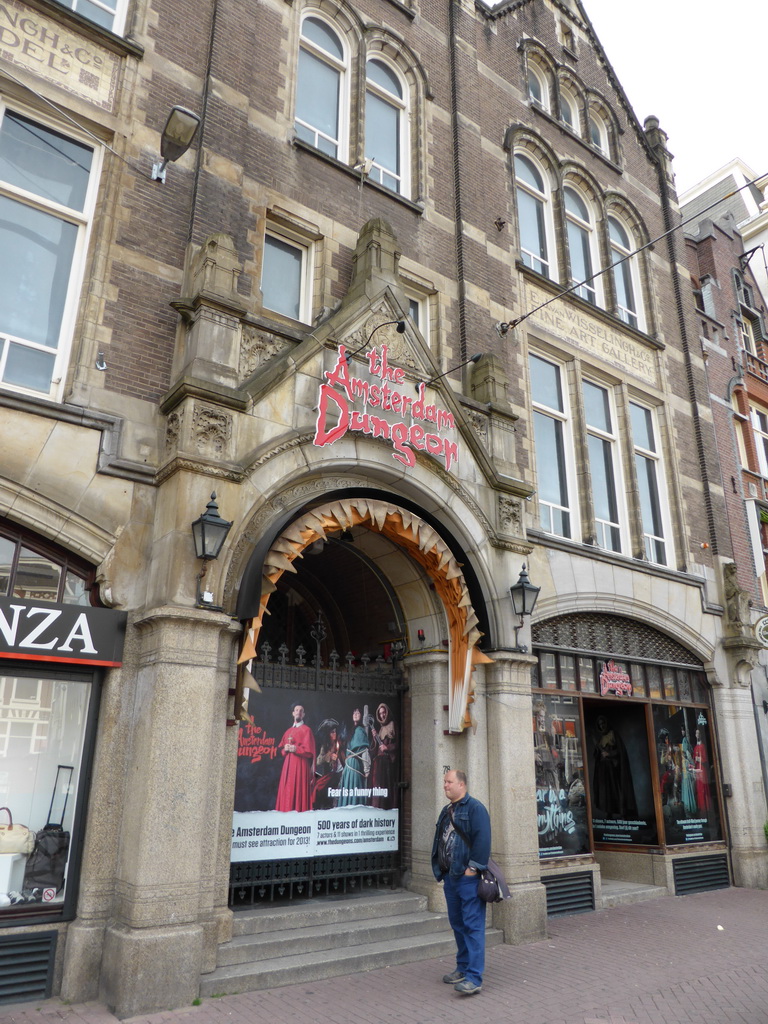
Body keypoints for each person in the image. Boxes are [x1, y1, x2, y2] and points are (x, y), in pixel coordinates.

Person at [431, 769, 491, 996]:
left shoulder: (475, 808)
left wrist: (472, 869)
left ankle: (474, 977)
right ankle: (463, 967)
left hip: (468, 878)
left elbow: (483, 840)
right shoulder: (447, 811)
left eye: (449, 782)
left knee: (472, 925)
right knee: (457, 924)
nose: (445, 785)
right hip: (450, 877)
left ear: (462, 785)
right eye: (444, 782)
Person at [275, 703, 316, 812]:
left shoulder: (307, 730)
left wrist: (296, 749)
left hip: (300, 765)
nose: (298, 712)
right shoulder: (288, 731)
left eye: (301, 710)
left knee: (298, 791)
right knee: (286, 790)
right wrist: (285, 749)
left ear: (303, 714)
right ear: (293, 713)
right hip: (287, 766)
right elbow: (280, 750)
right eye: (296, 710)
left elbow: (310, 753)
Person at [337, 707, 373, 807]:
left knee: (354, 788)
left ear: (361, 716)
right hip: (348, 765)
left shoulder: (360, 730)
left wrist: (366, 769)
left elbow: (364, 750)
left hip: (355, 764)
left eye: (358, 713)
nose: (355, 714)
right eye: (354, 713)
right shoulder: (351, 731)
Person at [312, 718, 344, 809]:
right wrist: (329, 756)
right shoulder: (325, 746)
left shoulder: (341, 743)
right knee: (318, 789)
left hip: (342, 773)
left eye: (335, 731)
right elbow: (318, 761)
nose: (334, 734)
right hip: (331, 775)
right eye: (332, 732)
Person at [371, 702, 398, 809]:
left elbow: (399, 743)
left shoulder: (393, 725)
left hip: (388, 762)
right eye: (380, 713)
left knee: (387, 787)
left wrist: (388, 748)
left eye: (384, 713)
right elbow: (376, 746)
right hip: (380, 762)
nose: (382, 715)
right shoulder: (381, 728)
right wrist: (375, 737)